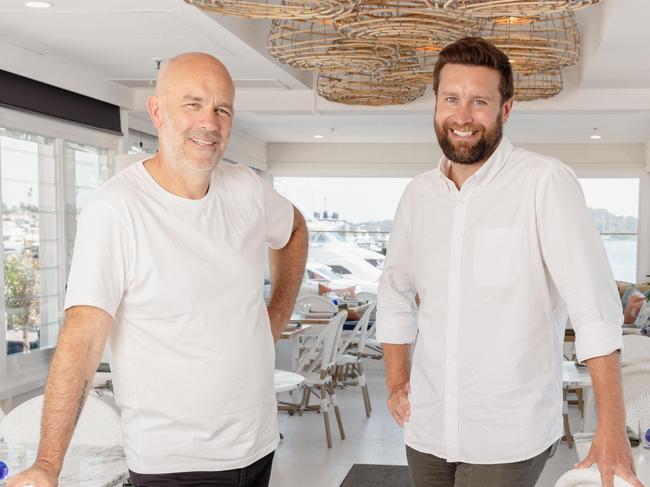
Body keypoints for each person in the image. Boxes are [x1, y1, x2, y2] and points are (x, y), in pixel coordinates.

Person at [9, 52, 308, 487]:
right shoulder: (116, 210)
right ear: (156, 111)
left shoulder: (246, 189)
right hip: (174, 464)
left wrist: (274, 319)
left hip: (257, 445)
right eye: (193, 104)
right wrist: (48, 465)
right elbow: (83, 339)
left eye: (222, 109)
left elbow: (295, 229)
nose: (209, 122)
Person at [377, 37, 643, 487]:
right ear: (436, 105)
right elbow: (395, 291)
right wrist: (396, 380)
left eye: (479, 101)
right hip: (427, 426)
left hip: (507, 433)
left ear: (506, 109)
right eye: (451, 99)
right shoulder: (418, 195)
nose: (462, 116)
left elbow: (595, 309)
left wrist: (611, 429)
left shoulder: (544, 183)